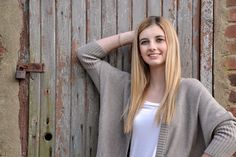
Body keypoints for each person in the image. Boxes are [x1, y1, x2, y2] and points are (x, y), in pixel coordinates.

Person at [77, 16, 236, 157]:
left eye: (159, 39)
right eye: (144, 42)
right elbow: (86, 55)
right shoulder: (123, 86)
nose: (152, 47)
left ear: (171, 44)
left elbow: (231, 132)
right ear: (138, 49)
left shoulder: (190, 90)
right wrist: (131, 35)